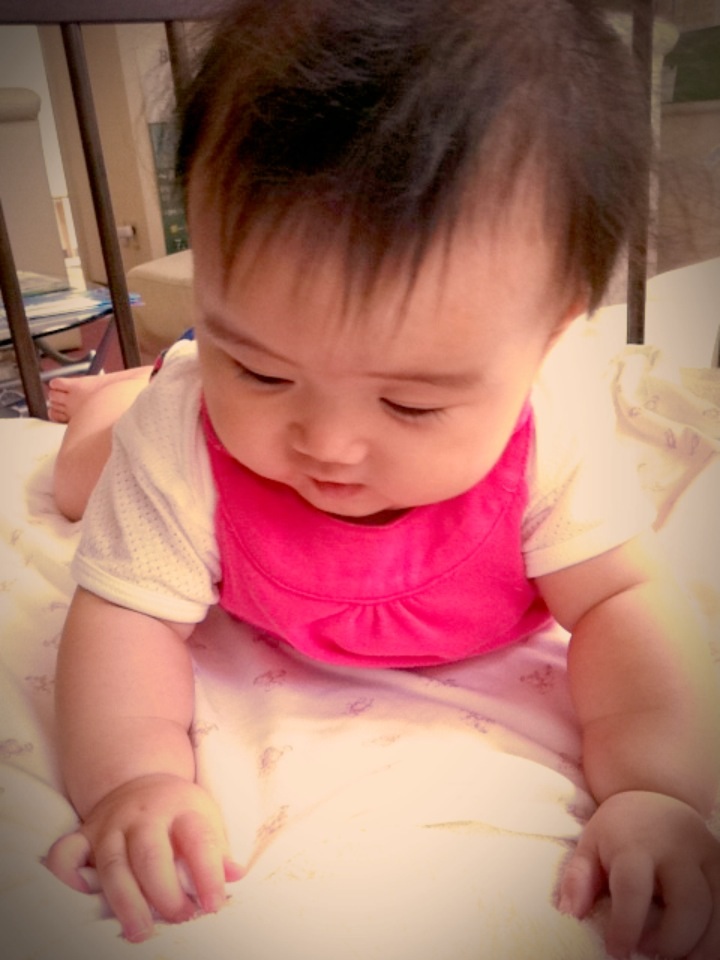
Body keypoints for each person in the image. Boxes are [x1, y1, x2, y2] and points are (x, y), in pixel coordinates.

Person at [45, 1, 720, 956]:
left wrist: (655, 788)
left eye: (409, 404)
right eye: (262, 369)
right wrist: (137, 780)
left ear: (551, 337)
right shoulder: (186, 435)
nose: (328, 445)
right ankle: (120, 392)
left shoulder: (553, 428)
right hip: (161, 410)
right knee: (82, 475)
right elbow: (124, 619)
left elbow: (621, 600)